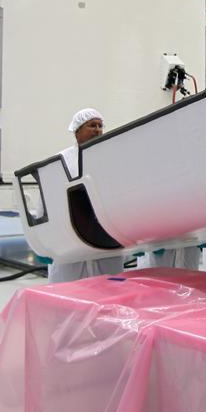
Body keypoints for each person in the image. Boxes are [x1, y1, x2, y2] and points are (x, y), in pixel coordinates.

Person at [47, 108, 126, 283]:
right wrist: (46, 242)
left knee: (109, 287)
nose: (97, 130)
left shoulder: (111, 158)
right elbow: (47, 199)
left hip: (106, 235)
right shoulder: (62, 160)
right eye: (92, 125)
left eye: (100, 126)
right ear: (77, 131)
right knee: (70, 288)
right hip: (70, 237)